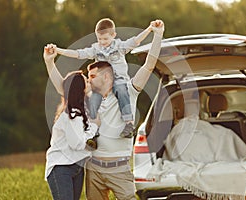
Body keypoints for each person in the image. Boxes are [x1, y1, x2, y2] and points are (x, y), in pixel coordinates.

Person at [45, 19, 164, 200]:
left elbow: (149, 66)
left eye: (92, 76)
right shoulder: (89, 99)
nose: (89, 80)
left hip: (120, 170)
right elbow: (64, 89)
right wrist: (49, 62)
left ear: (106, 76)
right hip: (94, 171)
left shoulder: (129, 91)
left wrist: (157, 35)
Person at [51, 18, 154, 138]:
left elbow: (135, 41)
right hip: (102, 85)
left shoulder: (119, 46)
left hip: (118, 80)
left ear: (113, 35)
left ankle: (129, 124)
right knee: (93, 100)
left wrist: (149, 29)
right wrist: (58, 51)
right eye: (99, 39)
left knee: (122, 91)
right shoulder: (96, 49)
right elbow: (79, 54)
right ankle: (93, 131)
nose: (102, 42)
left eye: (105, 39)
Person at [43, 48, 101, 200]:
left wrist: (49, 61)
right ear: (80, 89)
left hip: (77, 166)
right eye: (87, 81)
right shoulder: (70, 115)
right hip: (61, 168)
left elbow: (64, 86)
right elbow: (77, 144)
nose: (89, 82)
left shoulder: (84, 105)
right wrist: (94, 127)